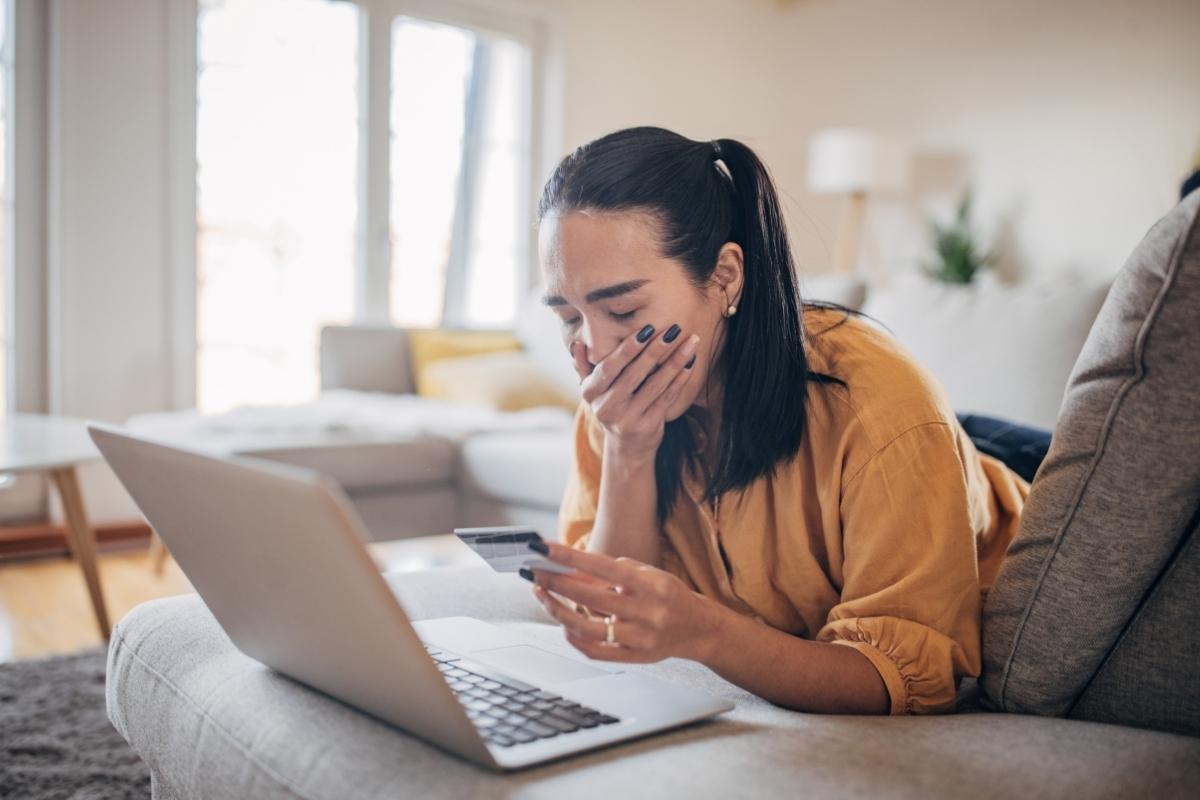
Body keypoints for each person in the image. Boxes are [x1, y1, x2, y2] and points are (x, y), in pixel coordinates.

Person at [521, 126, 1030, 715]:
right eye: (566, 317)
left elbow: (904, 680)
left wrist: (706, 631)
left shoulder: (880, 406)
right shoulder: (614, 397)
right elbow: (609, 611)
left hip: (994, 485)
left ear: (725, 278)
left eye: (623, 310)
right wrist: (628, 450)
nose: (593, 347)